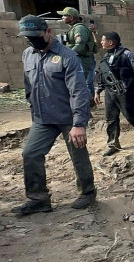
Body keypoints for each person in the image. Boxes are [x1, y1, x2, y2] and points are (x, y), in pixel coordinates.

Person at [12, 15, 96, 215]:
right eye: (28, 37)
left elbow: (78, 91)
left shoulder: (68, 56)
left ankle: (88, 192)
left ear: (48, 32)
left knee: (78, 155)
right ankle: (38, 199)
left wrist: (79, 123)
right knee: (30, 153)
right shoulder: (27, 54)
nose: (33, 40)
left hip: (68, 118)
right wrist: (33, 105)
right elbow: (28, 83)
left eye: (36, 36)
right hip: (43, 118)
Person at [95, 31, 134, 156]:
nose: (101, 42)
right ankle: (113, 144)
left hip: (126, 91)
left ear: (110, 42)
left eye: (103, 40)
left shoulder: (127, 55)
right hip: (110, 92)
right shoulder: (106, 57)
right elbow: (103, 76)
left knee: (130, 115)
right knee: (110, 118)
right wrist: (98, 91)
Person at [58, 7, 97, 100]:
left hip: (83, 60)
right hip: (78, 58)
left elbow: (79, 46)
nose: (62, 17)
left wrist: (67, 55)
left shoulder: (79, 29)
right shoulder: (74, 28)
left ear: (71, 17)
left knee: (81, 84)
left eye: (64, 15)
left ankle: (87, 105)